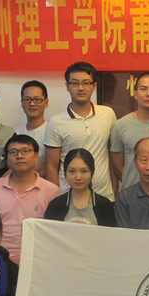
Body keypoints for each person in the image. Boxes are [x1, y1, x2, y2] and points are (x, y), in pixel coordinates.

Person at [0, 134, 60, 264]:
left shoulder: (51, 191)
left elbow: (55, 234)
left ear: (36, 156)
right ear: (6, 159)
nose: (19, 156)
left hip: (38, 259)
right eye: (13, 152)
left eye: (25, 151)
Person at [44, 61, 117, 200]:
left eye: (86, 83)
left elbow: (112, 157)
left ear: (94, 86)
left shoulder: (108, 114)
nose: (80, 88)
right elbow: (52, 167)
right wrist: (57, 200)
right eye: (74, 83)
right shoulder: (56, 122)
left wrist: (114, 191)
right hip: (69, 197)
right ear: (67, 86)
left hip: (104, 195)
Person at [109, 72, 149, 194]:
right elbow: (117, 167)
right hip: (131, 196)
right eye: (143, 89)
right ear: (135, 94)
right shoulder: (120, 126)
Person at [44, 148, 117, 226]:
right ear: (65, 173)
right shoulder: (56, 205)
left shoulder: (104, 206)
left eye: (84, 171)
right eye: (72, 171)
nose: (78, 177)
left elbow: (110, 233)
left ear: (92, 173)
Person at [16, 80, 50, 178]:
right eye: (27, 99)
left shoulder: (51, 131)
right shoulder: (15, 133)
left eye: (37, 99)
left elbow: (49, 168)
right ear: (22, 103)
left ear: (46, 103)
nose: (32, 104)